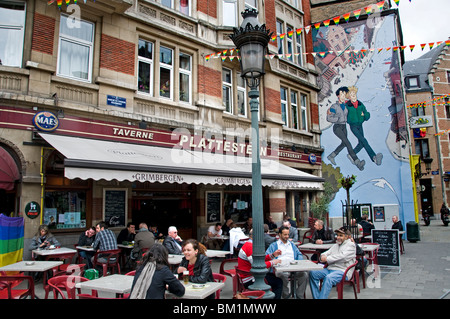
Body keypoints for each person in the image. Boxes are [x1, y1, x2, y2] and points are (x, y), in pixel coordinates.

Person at [309, 227, 356, 299]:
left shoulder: (351, 245)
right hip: (330, 269)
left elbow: (342, 257)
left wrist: (327, 258)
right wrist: (323, 256)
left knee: (328, 278)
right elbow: (325, 253)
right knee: (313, 273)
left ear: (346, 237)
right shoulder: (335, 245)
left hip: (342, 271)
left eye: (341, 235)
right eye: (337, 235)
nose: (338, 237)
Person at [326, 86, 365, 170]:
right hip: (337, 127)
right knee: (348, 143)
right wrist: (338, 119)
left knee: (344, 143)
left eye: (344, 94)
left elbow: (353, 109)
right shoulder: (334, 106)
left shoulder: (346, 105)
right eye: (341, 94)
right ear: (338, 96)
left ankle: (331, 156)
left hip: (344, 126)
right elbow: (329, 118)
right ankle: (357, 161)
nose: (343, 96)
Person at [237, 229, 283, 299]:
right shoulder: (250, 247)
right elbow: (257, 265)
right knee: (278, 282)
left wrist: (273, 255)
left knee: (273, 278)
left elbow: (259, 259)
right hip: (250, 279)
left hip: (249, 276)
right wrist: (272, 262)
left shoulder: (249, 244)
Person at [266, 226, 308, 299]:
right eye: (285, 234)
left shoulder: (292, 245)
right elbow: (267, 256)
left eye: (288, 234)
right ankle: (286, 296)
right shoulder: (274, 245)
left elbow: (299, 254)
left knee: (304, 275)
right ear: (279, 234)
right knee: (281, 275)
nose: (287, 236)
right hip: (281, 269)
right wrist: (274, 260)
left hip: (294, 268)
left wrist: (298, 262)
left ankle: (299, 296)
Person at [346, 86, 383, 166]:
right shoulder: (347, 106)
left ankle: (351, 155)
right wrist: (350, 120)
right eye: (352, 95)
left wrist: (364, 115)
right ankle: (374, 157)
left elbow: (366, 113)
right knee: (364, 141)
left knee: (361, 143)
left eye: (354, 94)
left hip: (360, 125)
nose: (354, 97)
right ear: (349, 97)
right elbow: (345, 116)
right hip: (353, 126)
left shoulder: (360, 104)